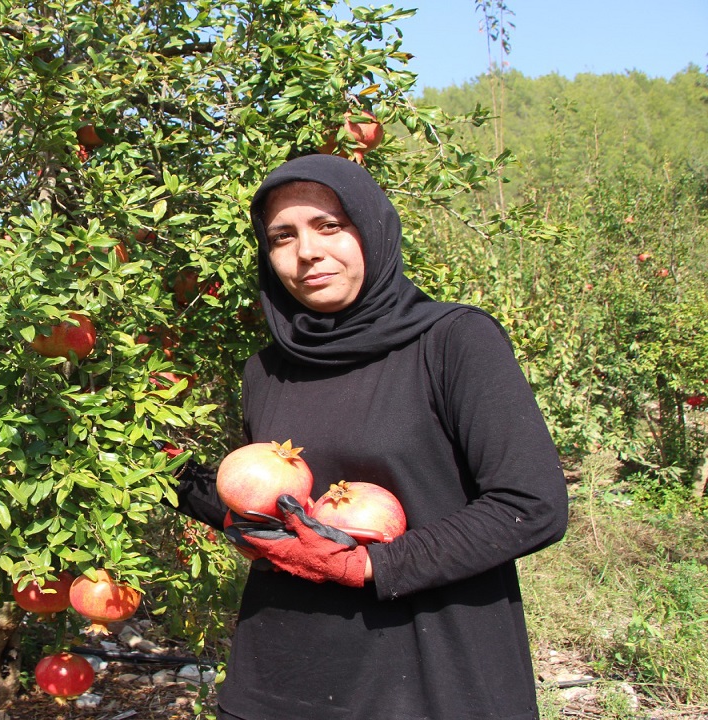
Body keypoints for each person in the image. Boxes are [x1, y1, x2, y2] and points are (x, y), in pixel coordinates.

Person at [172, 153, 569, 720]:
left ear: (373, 230)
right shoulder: (267, 370)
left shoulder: (453, 341)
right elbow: (276, 508)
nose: (307, 251)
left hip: (429, 676)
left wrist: (369, 567)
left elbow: (530, 505)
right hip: (283, 673)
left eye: (329, 226)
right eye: (282, 237)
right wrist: (160, 471)